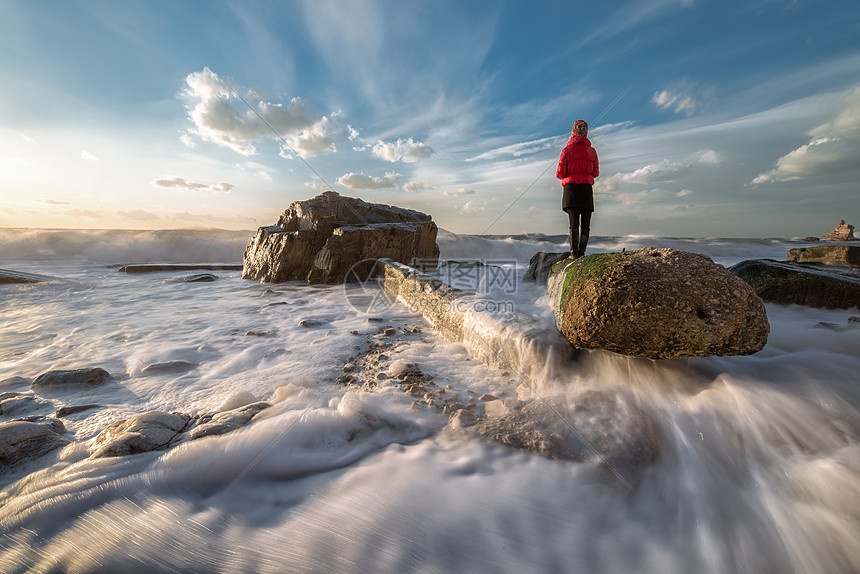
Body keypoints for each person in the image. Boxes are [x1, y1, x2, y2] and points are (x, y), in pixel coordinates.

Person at [556, 119, 599, 258]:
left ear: (572, 133)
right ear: (586, 134)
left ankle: (574, 254)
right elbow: (595, 173)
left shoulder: (566, 151)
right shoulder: (592, 151)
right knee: (585, 225)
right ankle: (582, 252)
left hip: (571, 189)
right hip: (586, 189)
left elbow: (560, 173)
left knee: (573, 224)